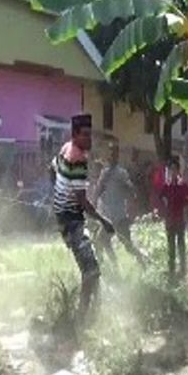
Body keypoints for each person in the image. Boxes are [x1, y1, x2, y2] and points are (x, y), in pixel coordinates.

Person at [52, 113, 114, 325]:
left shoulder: (65, 149)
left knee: (92, 268)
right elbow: (82, 202)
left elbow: (51, 170)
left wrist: (58, 194)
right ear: (75, 135)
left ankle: (91, 315)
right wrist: (104, 221)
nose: (89, 140)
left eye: (90, 135)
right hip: (72, 221)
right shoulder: (77, 158)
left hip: (65, 217)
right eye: (85, 135)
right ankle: (82, 319)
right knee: (92, 271)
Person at [93, 143, 147, 268]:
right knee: (101, 241)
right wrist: (94, 203)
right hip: (108, 216)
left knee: (127, 245)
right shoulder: (105, 172)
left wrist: (132, 194)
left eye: (114, 153)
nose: (111, 156)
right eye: (110, 153)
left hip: (119, 216)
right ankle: (110, 266)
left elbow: (131, 189)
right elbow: (98, 190)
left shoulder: (121, 173)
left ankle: (141, 262)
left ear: (117, 157)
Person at [160, 156, 188, 281]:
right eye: (171, 170)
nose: (173, 172)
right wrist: (163, 210)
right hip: (170, 221)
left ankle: (183, 272)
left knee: (181, 246)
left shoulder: (182, 186)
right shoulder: (167, 186)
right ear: (169, 171)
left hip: (180, 220)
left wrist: (185, 206)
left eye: (175, 169)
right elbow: (160, 198)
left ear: (178, 171)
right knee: (171, 248)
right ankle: (171, 272)